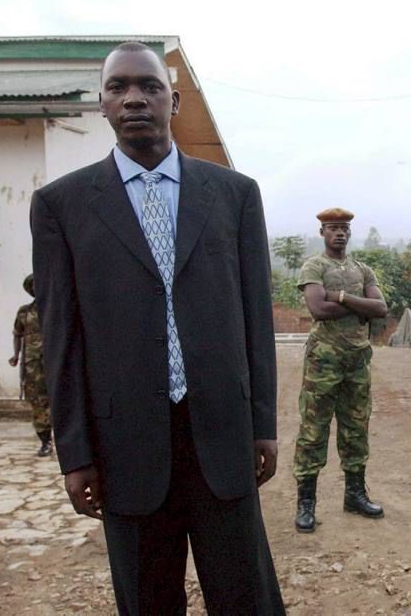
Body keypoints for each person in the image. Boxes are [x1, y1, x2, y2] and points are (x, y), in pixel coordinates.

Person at [31, 42, 283, 614]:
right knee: (147, 601)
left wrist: (262, 423)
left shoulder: (235, 195)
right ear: (101, 104)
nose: (134, 98)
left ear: (173, 99)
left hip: (221, 435)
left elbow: (254, 318)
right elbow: (60, 340)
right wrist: (74, 453)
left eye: (147, 85)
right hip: (126, 448)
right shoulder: (61, 206)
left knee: (245, 597)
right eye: (118, 87)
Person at [292, 208, 387, 533]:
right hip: (323, 362)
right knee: (313, 430)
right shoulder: (314, 267)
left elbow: (381, 308)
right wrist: (359, 304)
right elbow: (318, 308)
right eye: (333, 228)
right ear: (322, 233)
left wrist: (343, 296)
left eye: (344, 228)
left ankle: (355, 495)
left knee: (356, 428)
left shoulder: (363, 269)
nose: (340, 233)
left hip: (357, 360)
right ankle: (306, 503)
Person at [8, 273, 52, 457]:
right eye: (32, 287)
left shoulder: (54, 308)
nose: (36, 289)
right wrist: (16, 355)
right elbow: (17, 334)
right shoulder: (24, 312)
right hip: (33, 365)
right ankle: (45, 441)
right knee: (37, 402)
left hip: (54, 362)